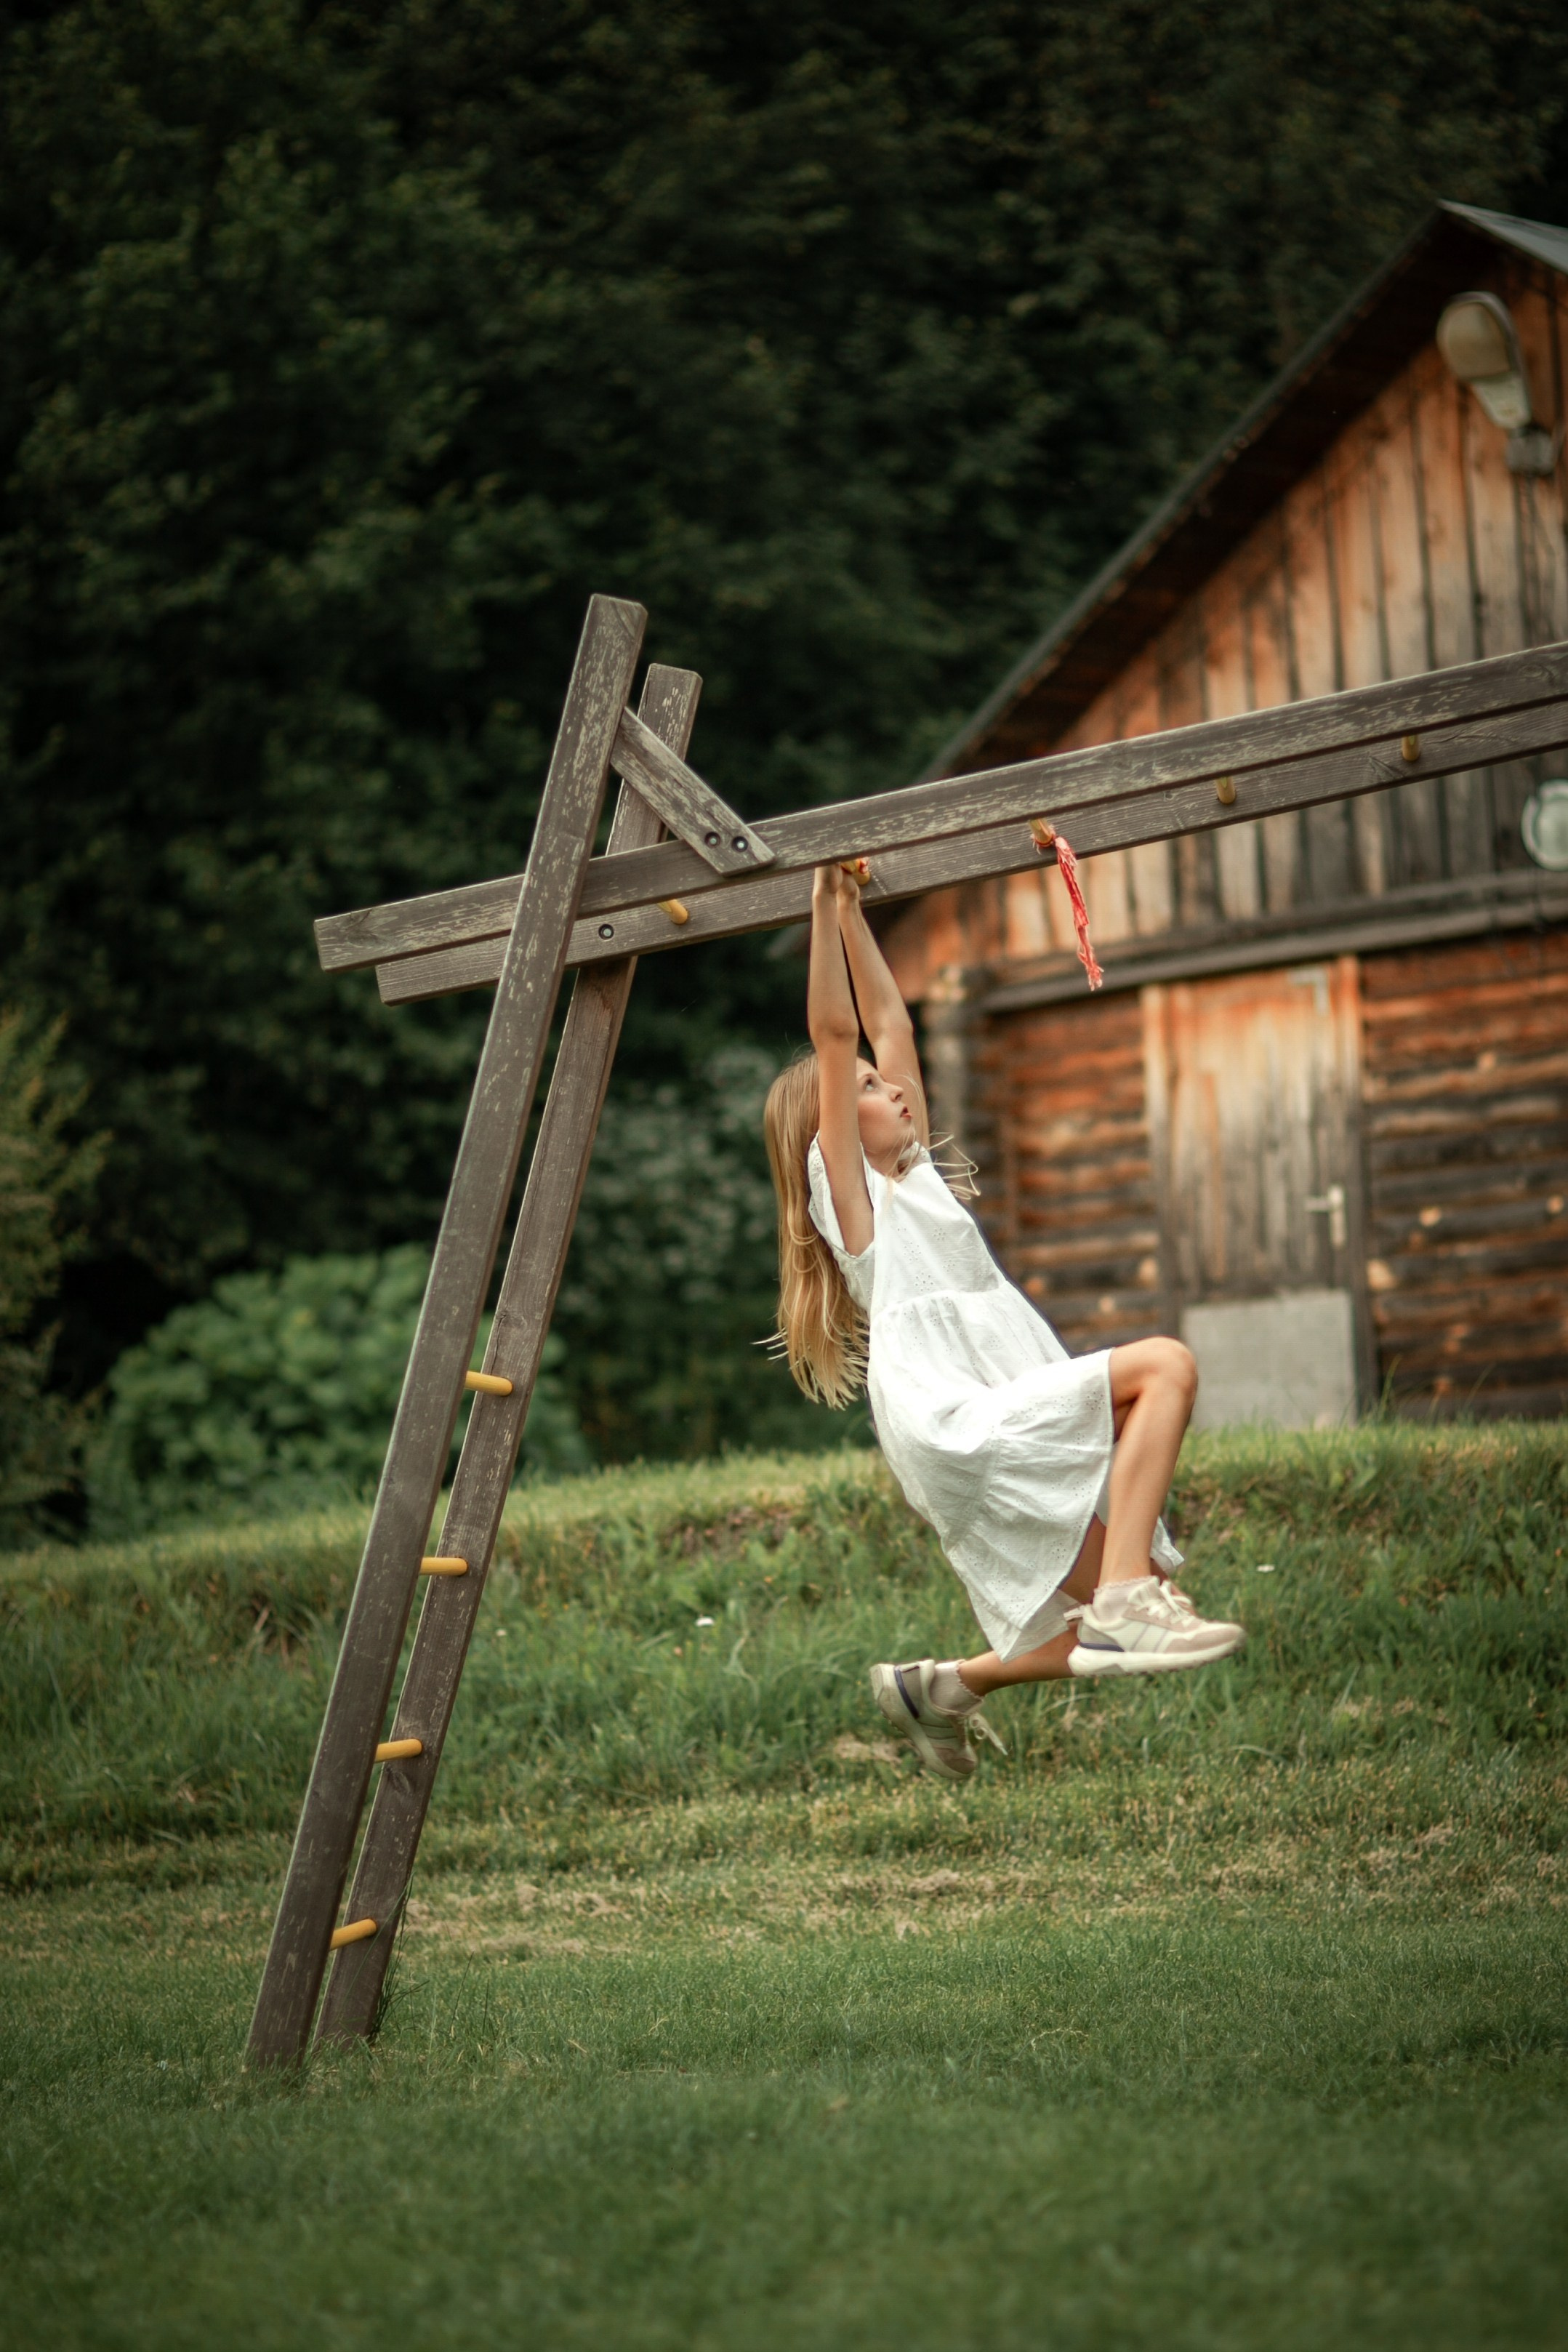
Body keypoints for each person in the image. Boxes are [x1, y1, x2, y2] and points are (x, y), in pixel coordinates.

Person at [763, 859, 1245, 1782]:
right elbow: (836, 1030)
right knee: (1166, 1367)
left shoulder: (919, 1181)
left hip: (985, 1405)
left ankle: (942, 1687)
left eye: (887, 1082)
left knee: (1135, 1614)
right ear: (825, 1132)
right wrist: (822, 904)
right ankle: (1123, 1595)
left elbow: (891, 1021)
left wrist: (858, 909)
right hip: (953, 1416)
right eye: (868, 1088)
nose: (893, 1089)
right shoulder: (856, 1209)